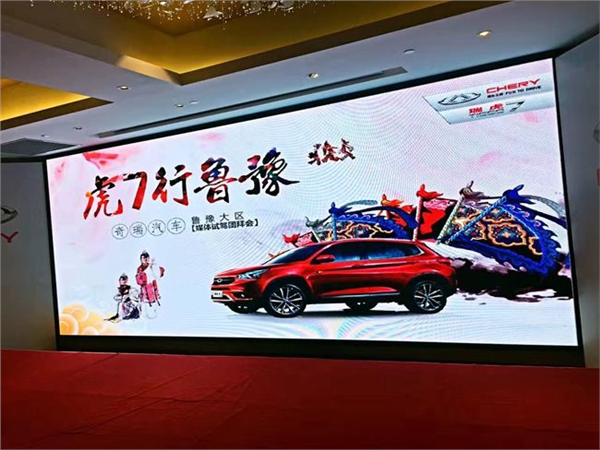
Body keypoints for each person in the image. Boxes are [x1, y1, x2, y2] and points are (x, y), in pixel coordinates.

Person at [135, 251, 165, 319]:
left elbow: (160, 274)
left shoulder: (152, 266)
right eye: (143, 258)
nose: (145, 259)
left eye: (147, 258)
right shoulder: (140, 269)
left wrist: (155, 266)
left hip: (153, 292)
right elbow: (139, 281)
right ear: (141, 260)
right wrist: (148, 270)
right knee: (145, 315)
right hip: (145, 294)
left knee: (154, 315)